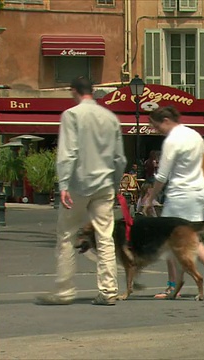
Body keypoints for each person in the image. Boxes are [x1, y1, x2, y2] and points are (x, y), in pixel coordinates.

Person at [36, 76, 127, 306]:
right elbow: (119, 158)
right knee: (105, 237)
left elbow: (68, 152)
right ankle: (108, 291)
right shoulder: (111, 118)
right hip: (105, 183)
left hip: (78, 183)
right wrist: (115, 185)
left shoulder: (72, 115)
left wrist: (63, 184)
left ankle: (65, 290)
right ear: (93, 91)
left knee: (66, 234)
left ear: (73, 91)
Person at [141, 106, 204, 299]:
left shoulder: (172, 140)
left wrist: (150, 198)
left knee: (170, 239)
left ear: (165, 120)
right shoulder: (195, 135)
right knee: (192, 238)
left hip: (179, 193)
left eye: (156, 127)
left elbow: (162, 175)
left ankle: (172, 286)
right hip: (197, 191)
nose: (156, 131)